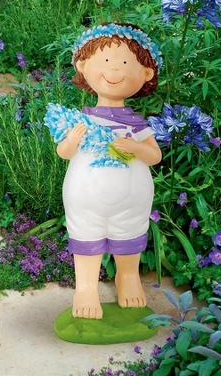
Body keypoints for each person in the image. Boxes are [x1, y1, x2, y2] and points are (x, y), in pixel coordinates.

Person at [56, 23, 163, 319]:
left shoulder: (136, 124)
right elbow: (63, 152)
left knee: (130, 232)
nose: (114, 69)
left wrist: (136, 147)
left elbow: (155, 156)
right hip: (85, 197)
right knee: (85, 234)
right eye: (105, 61)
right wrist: (72, 140)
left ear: (146, 74)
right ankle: (86, 286)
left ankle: (127, 277)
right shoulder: (81, 120)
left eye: (126, 63)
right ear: (83, 65)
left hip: (132, 198)